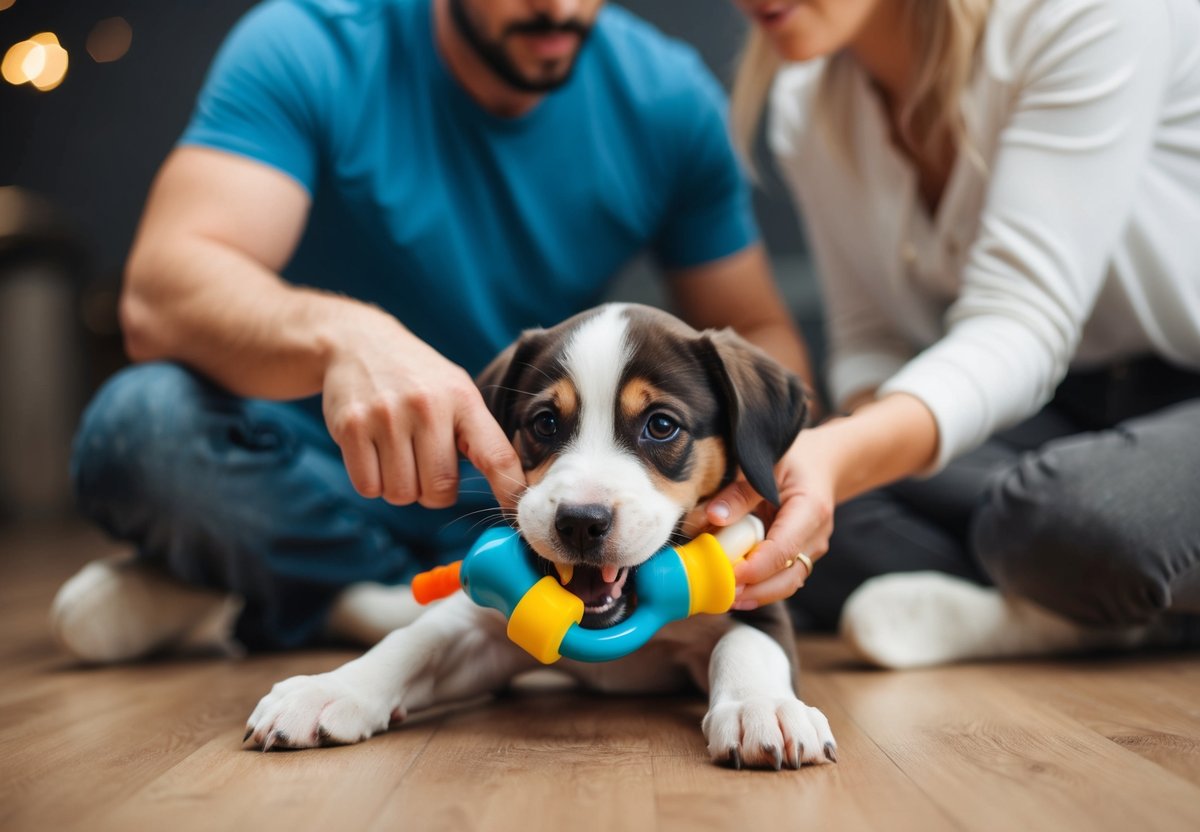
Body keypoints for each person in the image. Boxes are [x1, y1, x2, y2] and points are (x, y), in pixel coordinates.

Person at [51, 0, 813, 662]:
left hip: (523, 499)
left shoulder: (665, 97)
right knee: (140, 428)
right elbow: (158, 293)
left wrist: (758, 478)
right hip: (304, 475)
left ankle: (263, 586)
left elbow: (756, 328)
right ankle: (411, 597)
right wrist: (345, 338)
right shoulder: (309, 45)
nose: (558, 7)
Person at [710, 0, 1200, 653]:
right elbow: (870, 337)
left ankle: (1096, 593)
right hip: (1063, 408)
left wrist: (841, 455)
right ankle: (1080, 598)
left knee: (1080, 517)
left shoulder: (1089, 14)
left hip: (1191, 386)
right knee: (808, 518)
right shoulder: (807, 101)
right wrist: (840, 467)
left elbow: (1021, 323)